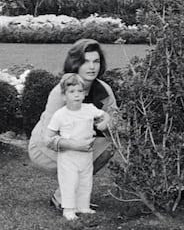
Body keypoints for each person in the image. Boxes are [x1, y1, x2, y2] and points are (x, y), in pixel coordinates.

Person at [28, 38, 118, 210]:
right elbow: (48, 138)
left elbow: (117, 121)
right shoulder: (59, 92)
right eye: (85, 61)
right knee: (78, 157)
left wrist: (108, 121)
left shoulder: (104, 90)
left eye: (96, 61)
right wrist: (75, 145)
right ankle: (64, 197)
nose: (92, 67)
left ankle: (68, 195)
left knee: (109, 146)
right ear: (75, 63)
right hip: (45, 147)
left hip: (78, 143)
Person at [44, 73, 110, 221]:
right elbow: (49, 136)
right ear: (63, 95)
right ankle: (68, 209)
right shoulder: (60, 114)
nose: (76, 95)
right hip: (68, 156)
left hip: (86, 155)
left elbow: (106, 115)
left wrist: (104, 122)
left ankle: (83, 206)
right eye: (71, 92)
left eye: (79, 91)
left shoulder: (89, 109)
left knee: (85, 181)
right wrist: (67, 143)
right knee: (70, 182)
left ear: (84, 92)